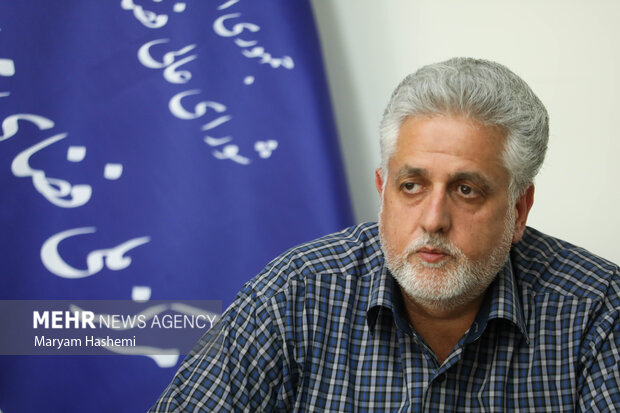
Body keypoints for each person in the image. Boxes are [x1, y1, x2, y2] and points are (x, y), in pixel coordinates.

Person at [149, 57, 620, 411]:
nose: (433, 220)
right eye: (411, 186)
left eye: (467, 190)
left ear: (518, 210)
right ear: (383, 191)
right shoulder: (295, 294)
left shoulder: (596, 310)